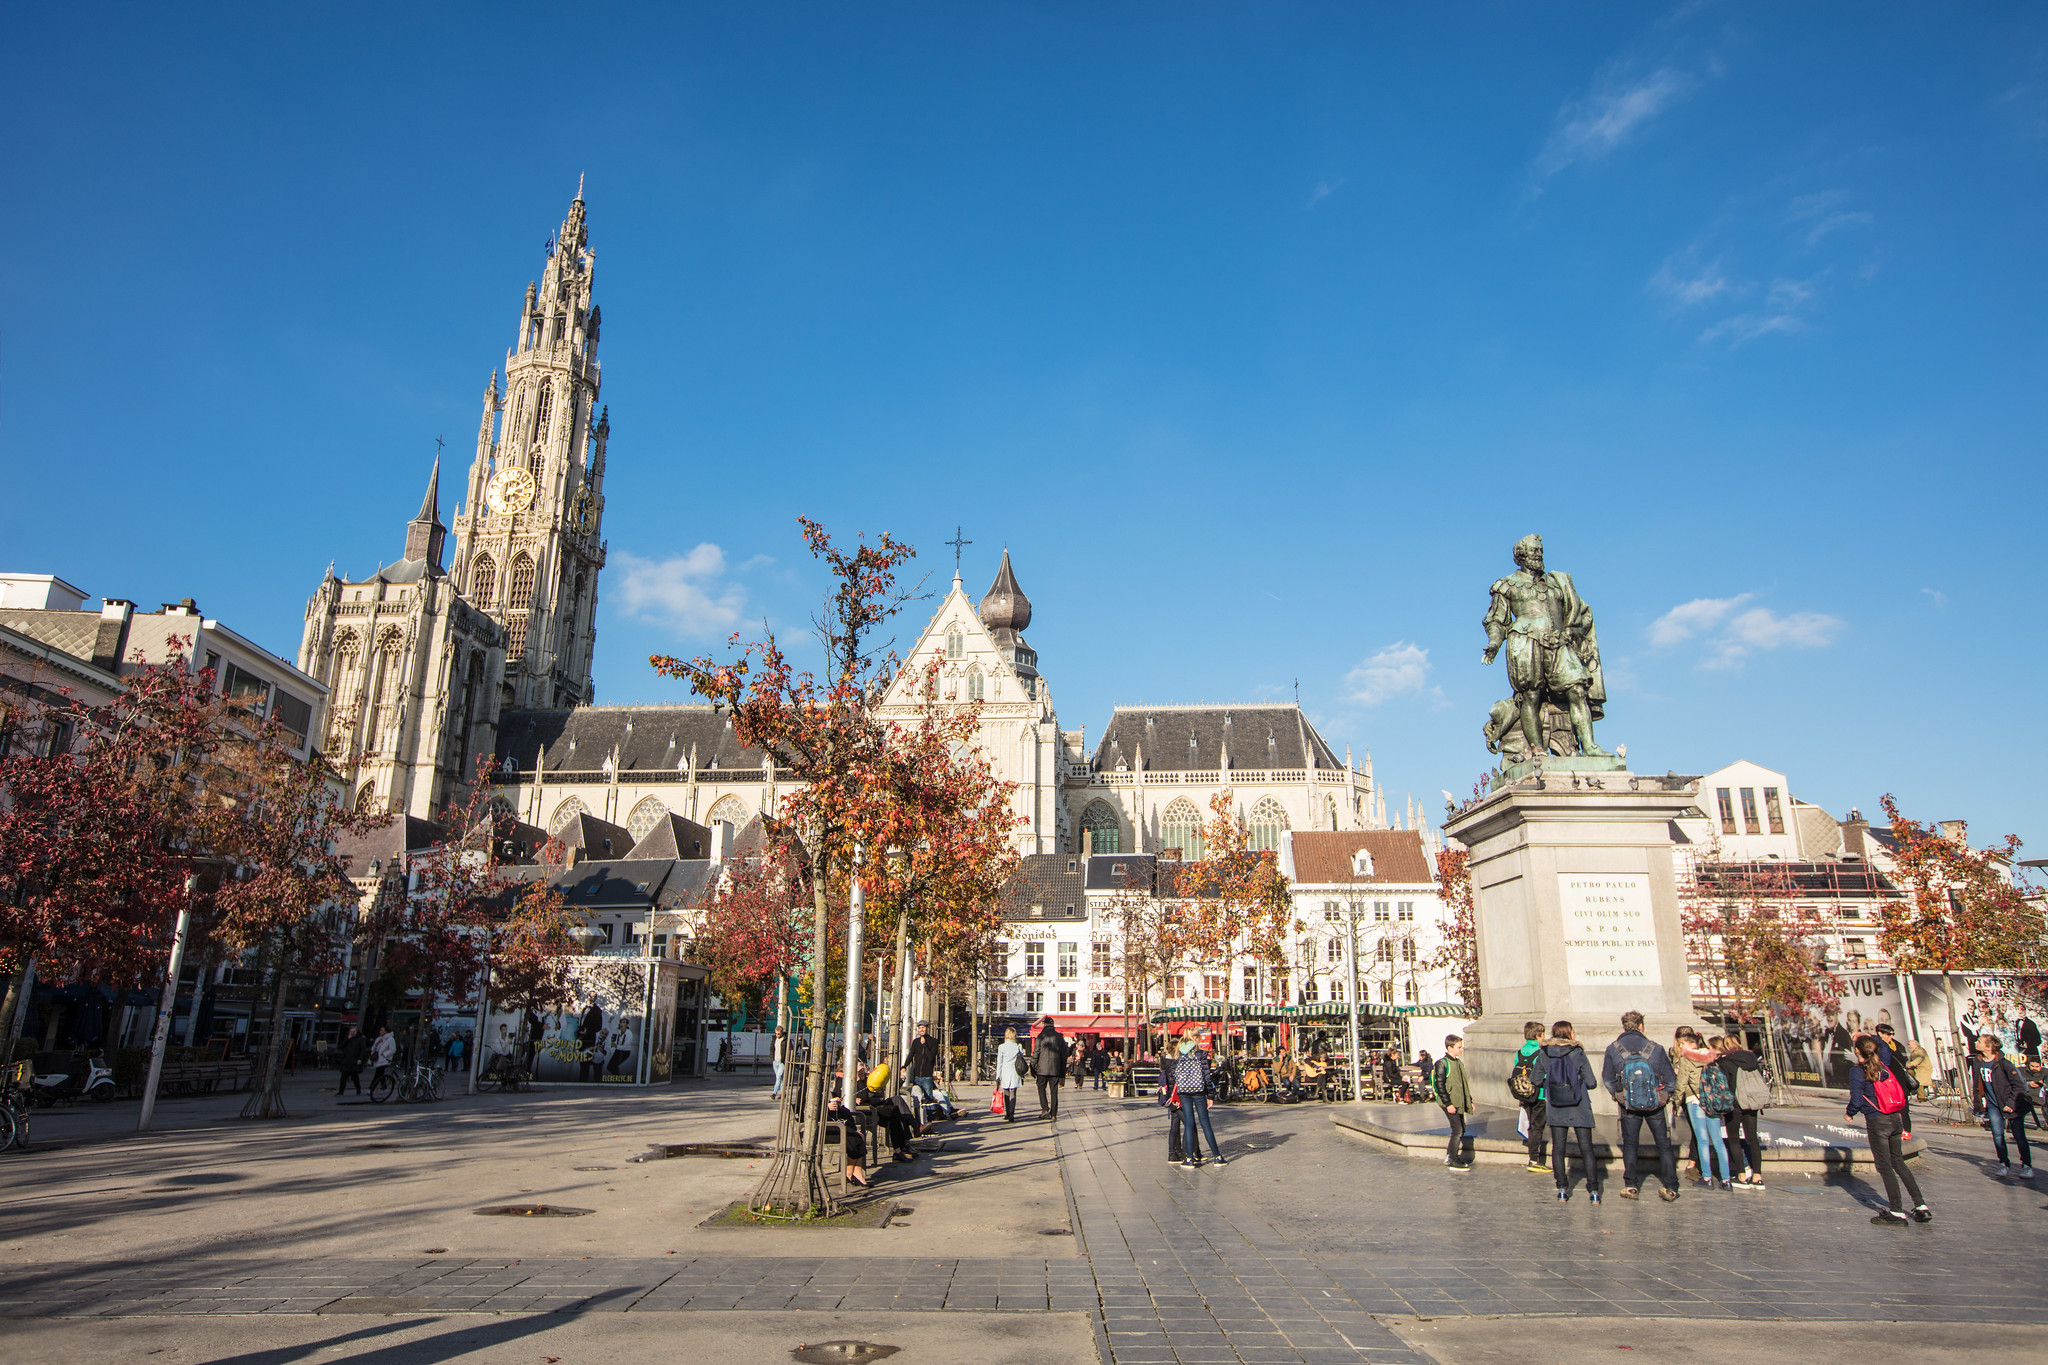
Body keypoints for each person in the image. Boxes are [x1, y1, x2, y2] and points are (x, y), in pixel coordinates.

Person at [1848, 1034, 1931, 1225]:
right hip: (1895, 1117)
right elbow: (1885, 1048)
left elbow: (1857, 1100)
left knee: (1885, 1166)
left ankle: (1896, 1211)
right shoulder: (1883, 1064)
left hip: (1877, 1121)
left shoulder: (1857, 1071)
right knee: (1899, 1162)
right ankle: (1921, 1206)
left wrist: (1850, 1113)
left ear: (1857, 1051)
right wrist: (1873, 1036)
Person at [1601, 1010, 1680, 1203]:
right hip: (1656, 1105)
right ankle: (1671, 1187)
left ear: (1624, 1026)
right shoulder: (1656, 1048)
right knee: (1663, 1145)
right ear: (1641, 1026)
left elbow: (1608, 1079)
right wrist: (1663, 1097)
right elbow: (1671, 1079)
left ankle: (1631, 1185)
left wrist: (1620, 1097)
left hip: (1629, 1105)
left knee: (1630, 1145)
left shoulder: (1614, 1049)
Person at [1537, 1021, 1601, 1203]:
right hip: (1579, 1105)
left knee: (1558, 1148)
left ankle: (1562, 1189)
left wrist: (1551, 1085)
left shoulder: (1544, 1053)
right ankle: (1594, 1190)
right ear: (1570, 1033)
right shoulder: (1577, 1052)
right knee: (1587, 1148)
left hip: (1556, 1105)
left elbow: (1535, 1079)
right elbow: (1591, 1082)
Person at [1673, 1027, 1731, 1191]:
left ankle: (1707, 1177)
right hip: (1712, 1100)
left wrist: (1676, 1102)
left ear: (1686, 1044)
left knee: (1702, 1140)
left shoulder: (1686, 1059)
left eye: (1681, 1044)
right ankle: (1726, 1180)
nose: (1680, 1047)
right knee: (1718, 1141)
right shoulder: (1710, 1056)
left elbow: (1682, 1084)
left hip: (1695, 1101)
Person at [1970, 1033, 2034, 1178]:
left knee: (2018, 1135)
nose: (1976, 1043)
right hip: (1993, 1105)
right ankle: (2004, 1164)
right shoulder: (1978, 1062)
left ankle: (2027, 1166)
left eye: (1979, 1041)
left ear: (1988, 1046)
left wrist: (2011, 1103)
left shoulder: (2003, 1063)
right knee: (1997, 1135)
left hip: (2011, 1104)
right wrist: (1978, 1105)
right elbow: (1977, 1086)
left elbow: (2019, 1086)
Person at [1715, 1035, 1767, 1190]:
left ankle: (1741, 1176)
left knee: (1734, 1139)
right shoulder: (1751, 1058)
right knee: (1752, 1139)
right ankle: (1757, 1177)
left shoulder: (1725, 1061)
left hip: (1735, 1104)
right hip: (1751, 1101)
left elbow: (1725, 1084)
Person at [1172, 1034, 1225, 1168]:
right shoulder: (1200, 1054)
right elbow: (1206, 1076)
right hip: (1199, 1091)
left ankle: (1189, 1158)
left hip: (1184, 1092)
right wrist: (1211, 1095)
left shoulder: (1179, 1053)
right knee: (1205, 1123)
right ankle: (1217, 1156)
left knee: (1189, 1124)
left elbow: (1172, 1073)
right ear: (1195, 1039)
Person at [1508, 1020, 1548, 1174]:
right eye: (1543, 1034)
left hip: (1524, 1094)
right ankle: (1534, 1159)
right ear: (1539, 1036)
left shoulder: (1520, 1052)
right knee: (1537, 1126)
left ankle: (1532, 1153)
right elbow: (1544, 1073)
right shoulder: (1541, 1052)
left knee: (1530, 1123)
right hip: (1539, 1094)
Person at [1435, 1035, 1474, 1171]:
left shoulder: (1458, 1063)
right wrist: (1448, 1104)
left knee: (1461, 1128)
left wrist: (1469, 1100)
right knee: (1457, 1129)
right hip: (1450, 1103)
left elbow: (1463, 1084)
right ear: (1450, 1048)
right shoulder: (1443, 1063)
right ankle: (1452, 1158)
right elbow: (1440, 1085)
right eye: (1459, 1047)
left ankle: (1450, 1155)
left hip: (1458, 1101)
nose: (1461, 1049)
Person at [826, 1092, 870, 1187]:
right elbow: (806, 1113)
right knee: (856, 1137)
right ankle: (853, 1172)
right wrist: (826, 1107)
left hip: (834, 1125)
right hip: (824, 1129)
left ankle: (853, 1171)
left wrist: (835, 1102)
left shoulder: (823, 1088)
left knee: (860, 1136)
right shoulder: (807, 1090)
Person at [1032, 1016, 1069, 1122]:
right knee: (1054, 1091)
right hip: (1055, 1068)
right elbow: (1064, 1055)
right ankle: (1054, 1114)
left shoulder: (1040, 1036)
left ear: (1044, 1025)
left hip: (1042, 1069)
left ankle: (1045, 1109)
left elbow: (1036, 1053)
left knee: (1041, 1088)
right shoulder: (1059, 1037)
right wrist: (1062, 1070)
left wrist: (1033, 1066)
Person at [904, 1022, 941, 1105]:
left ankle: (929, 1116)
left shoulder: (933, 1041)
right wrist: (904, 1066)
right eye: (920, 1028)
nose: (921, 1030)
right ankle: (918, 1117)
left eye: (923, 1027)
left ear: (927, 1028)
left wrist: (924, 1045)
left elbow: (931, 1057)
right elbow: (911, 1055)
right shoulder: (916, 1042)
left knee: (928, 1100)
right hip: (917, 1076)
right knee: (917, 1099)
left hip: (927, 1076)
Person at [995, 1025, 1026, 1123]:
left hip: (1005, 1072)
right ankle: (1012, 1113)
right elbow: (1021, 1060)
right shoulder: (1018, 1046)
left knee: (1006, 1093)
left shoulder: (1001, 1047)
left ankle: (1007, 1113)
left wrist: (998, 1076)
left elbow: (999, 1062)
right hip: (1015, 1072)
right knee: (1013, 1093)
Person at [335, 1025, 366, 1096]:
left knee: (355, 1077)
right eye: (351, 1031)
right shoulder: (347, 1038)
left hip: (354, 1061)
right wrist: (347, 1039)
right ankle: (341, 1091)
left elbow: (363, 1050)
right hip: (346, 1060)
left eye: (354, 1031)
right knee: (343, 1077)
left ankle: (358, 1089)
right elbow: (340, 1046)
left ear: (356, 1031)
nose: (352, 1033)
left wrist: (360, 1058)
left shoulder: (361, 1039)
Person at [369, 1026, 396, 1090]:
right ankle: (384, 1087)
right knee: (381, 1074)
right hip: (378, 1059)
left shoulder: (390, 1039)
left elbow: (393, 1050)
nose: (380, 1032)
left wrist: (384, 1055)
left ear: (386, 1031)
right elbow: (373, 1048)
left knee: (378, 1074)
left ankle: (371, 1088)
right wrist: (376, 1044)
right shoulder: (379, 1039)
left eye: (382, 1030)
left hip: (385, 1060)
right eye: (380, 1030)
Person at [770, 1026, 789, 1099]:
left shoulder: (785, 1040)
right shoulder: (774, 1040)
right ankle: (783, 1093)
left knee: (779, 1077)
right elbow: (772, 1049)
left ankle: (774, 1093)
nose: (777, 1035)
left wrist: (785, 1059)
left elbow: (789, 1049)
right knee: (780, 1078)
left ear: (781, 1033)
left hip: (782, 1062)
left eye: (778, 1034)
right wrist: (772, 1059)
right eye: (776, 1033)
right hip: (775, 1061)